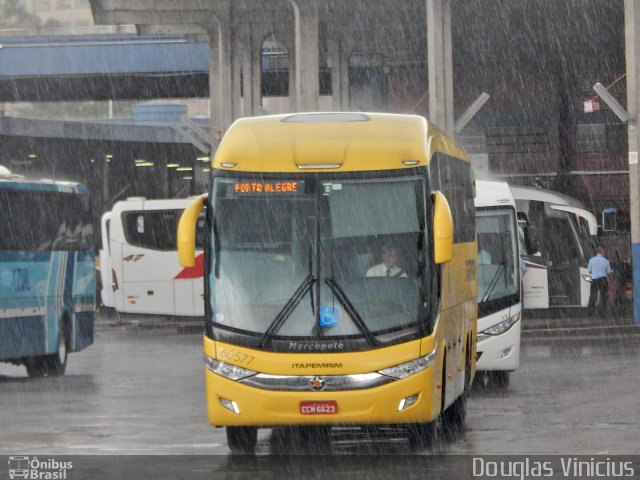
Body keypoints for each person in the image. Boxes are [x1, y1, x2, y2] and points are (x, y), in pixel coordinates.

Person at [587, 246, 613, 316]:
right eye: (603, 252)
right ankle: (602, 313)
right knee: (603, 296)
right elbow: (609, 273)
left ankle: (590, 313)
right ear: (601, 252)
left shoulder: (591, 260)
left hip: (594, 279)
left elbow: (589, 271)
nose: (604, 253)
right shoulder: (606, 261)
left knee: (593, 295)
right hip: (603, 280)